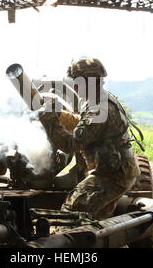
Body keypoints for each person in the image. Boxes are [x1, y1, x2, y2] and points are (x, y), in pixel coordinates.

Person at [38, 57, 140, 220]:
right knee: (97, 221)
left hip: (112, 176)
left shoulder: (100, 109)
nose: (75, 86)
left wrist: (49, 118)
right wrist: (59, 114)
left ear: (90, 82)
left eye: (78, 82)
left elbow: (70, 144)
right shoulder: (98, 100)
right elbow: (85, 125)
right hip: (116, 171)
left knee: (71, 213)